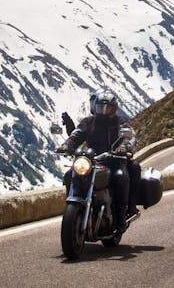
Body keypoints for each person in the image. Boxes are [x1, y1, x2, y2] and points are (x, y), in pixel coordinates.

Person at [57, 91, 141, 231]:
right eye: (100, 107)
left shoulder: (120, 122)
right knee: (69, 175)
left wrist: (123, 146)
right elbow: (76, 135)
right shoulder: (88, 122)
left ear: (113, 108)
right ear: (95, 107)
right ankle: (74, 205)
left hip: (115, 160)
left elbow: (130, 136)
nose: (103, 111)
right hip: (92, 161)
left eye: (107, 107)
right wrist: (66, 146)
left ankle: (121, 217)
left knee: (121, 177)